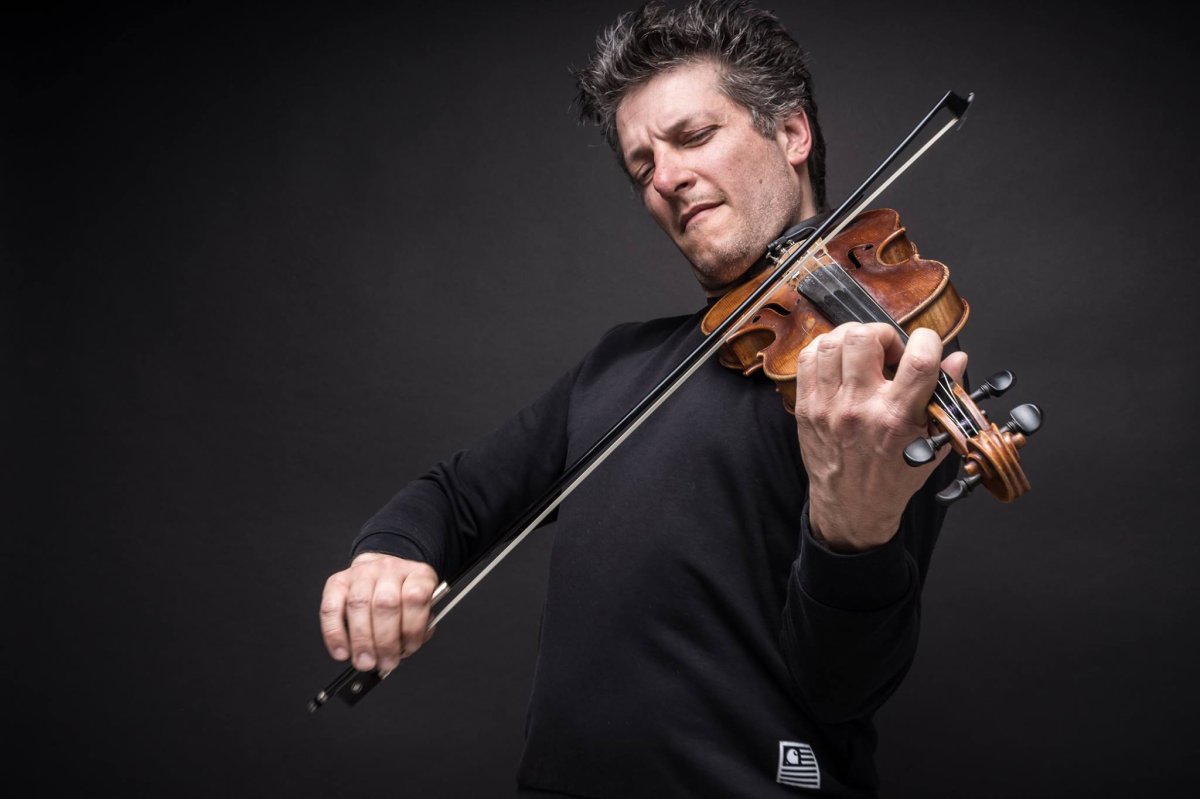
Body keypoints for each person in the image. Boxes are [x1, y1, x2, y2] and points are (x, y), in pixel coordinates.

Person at [318, 1, 968, 796]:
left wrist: (852, 529)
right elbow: (454, 497)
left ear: (792, 132)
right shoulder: (621, 363)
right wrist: (387, 554)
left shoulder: (879, 382)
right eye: (641, 165)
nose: (665, 178)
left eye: (693, 137)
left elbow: (844, 685)